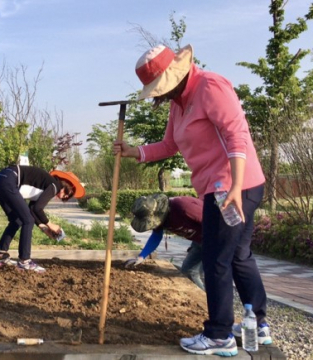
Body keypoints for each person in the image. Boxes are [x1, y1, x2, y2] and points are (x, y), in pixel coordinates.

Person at [113, 44, 270, 356]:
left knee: (216, 259)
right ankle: (258, 326)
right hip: (225, 187)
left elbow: (236, 135)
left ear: (176, 75)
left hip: (231, 188)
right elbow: (170, 145)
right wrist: (135, 152)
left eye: (160, 88)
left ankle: (219, 335)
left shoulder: (211, 86)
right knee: (238, 256)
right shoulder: (178, 103)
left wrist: (236, 186)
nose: (159, 95)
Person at [0, 165, 85, 272]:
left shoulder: (45, 183)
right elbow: (38, 209)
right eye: (69, 193)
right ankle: (24, 261)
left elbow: (32, 209)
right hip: (9, 180)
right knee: (27, 221)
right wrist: (50, 224)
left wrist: (44, 228)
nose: (66, 197)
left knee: (16, 220)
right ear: (66, 186)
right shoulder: (55, 185)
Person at [123, 193, 205, 291]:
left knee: (212, 275)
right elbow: (156, 236)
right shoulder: (159, 216)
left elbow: (214, 222)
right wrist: (142, 256)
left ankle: (217, 302)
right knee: (189, 271)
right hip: (199, 241)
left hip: (217, 239)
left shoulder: (183, 207)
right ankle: (208, 301)